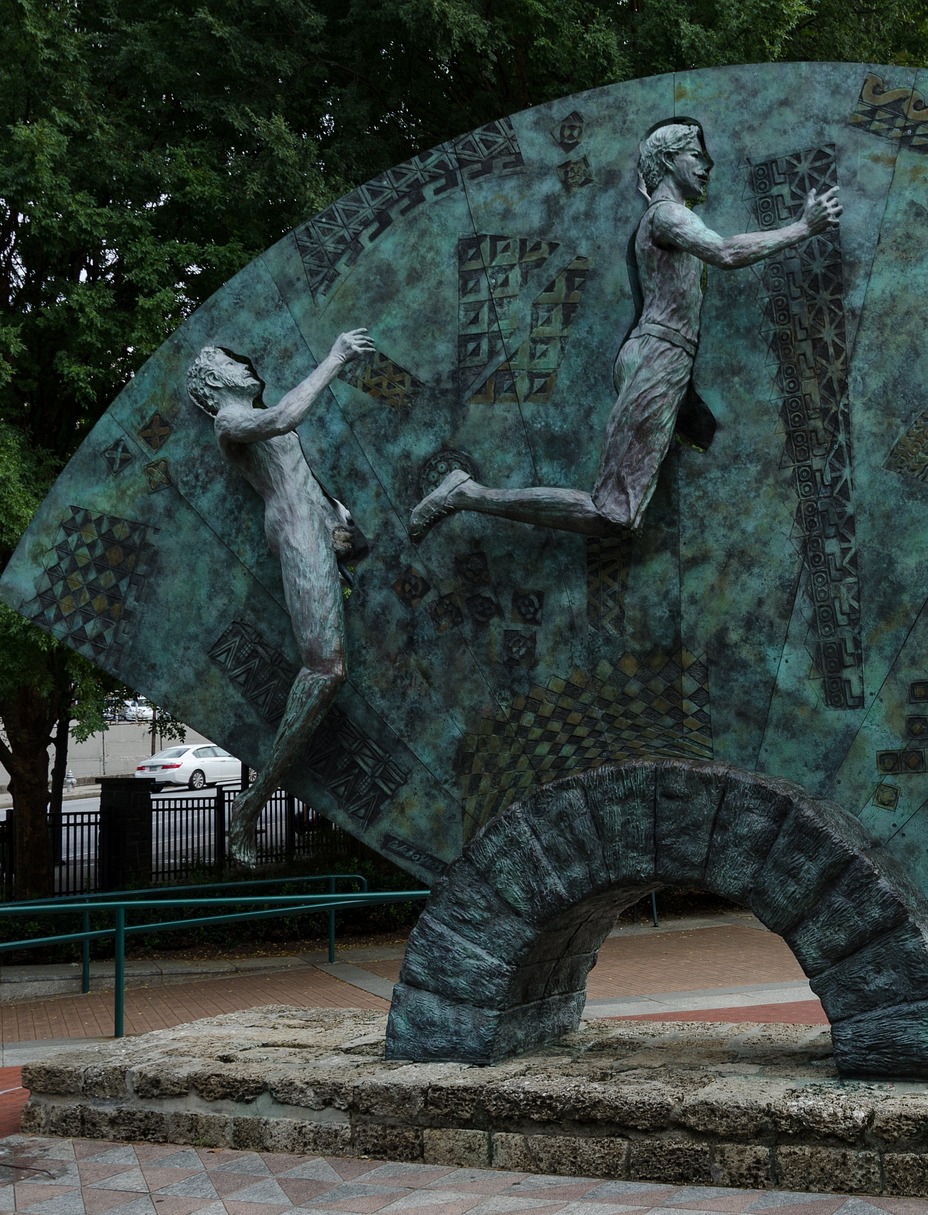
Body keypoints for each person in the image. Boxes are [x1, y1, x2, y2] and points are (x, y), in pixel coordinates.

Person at [408, 119, 842, 541]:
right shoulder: (667, 215)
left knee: (673, 460)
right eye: (695, 155)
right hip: (659, 358)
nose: (706, 166)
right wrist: (803, 228)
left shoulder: (666, 215)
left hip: (662, 358)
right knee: (613, 515)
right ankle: (465, 493)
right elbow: (726, 252)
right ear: (668, 161)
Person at [187, 327, 375, 863]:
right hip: (296, 532)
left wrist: (335, 518)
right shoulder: (228, 421)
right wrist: (335, 357)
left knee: (329, 668)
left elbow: (296, 467)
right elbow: (286, 417)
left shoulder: (249, 413)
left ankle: (253, 802)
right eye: (232, 362)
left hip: (318, 528)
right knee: (325, 669)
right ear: (213, 381)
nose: (247, 366)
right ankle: (250, 806)